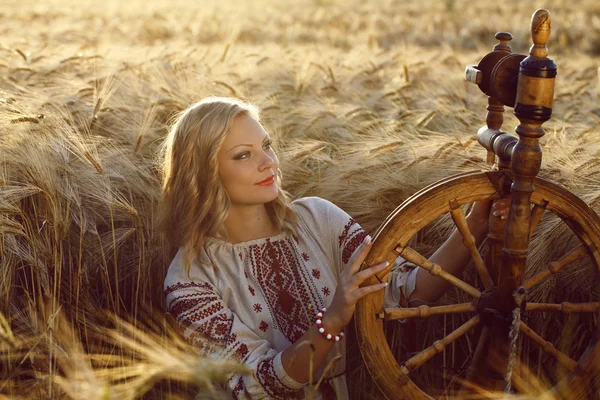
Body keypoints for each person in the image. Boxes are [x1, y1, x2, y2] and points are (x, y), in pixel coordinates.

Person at [159, 97, 509, 400]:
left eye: (267, 145)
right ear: (203, 173)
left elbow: (405, 292)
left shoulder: (318, 219)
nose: (269, 162)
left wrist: (474, 227)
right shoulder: (189, 280)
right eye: (243, 155)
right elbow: (260, 384)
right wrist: (334, 317)